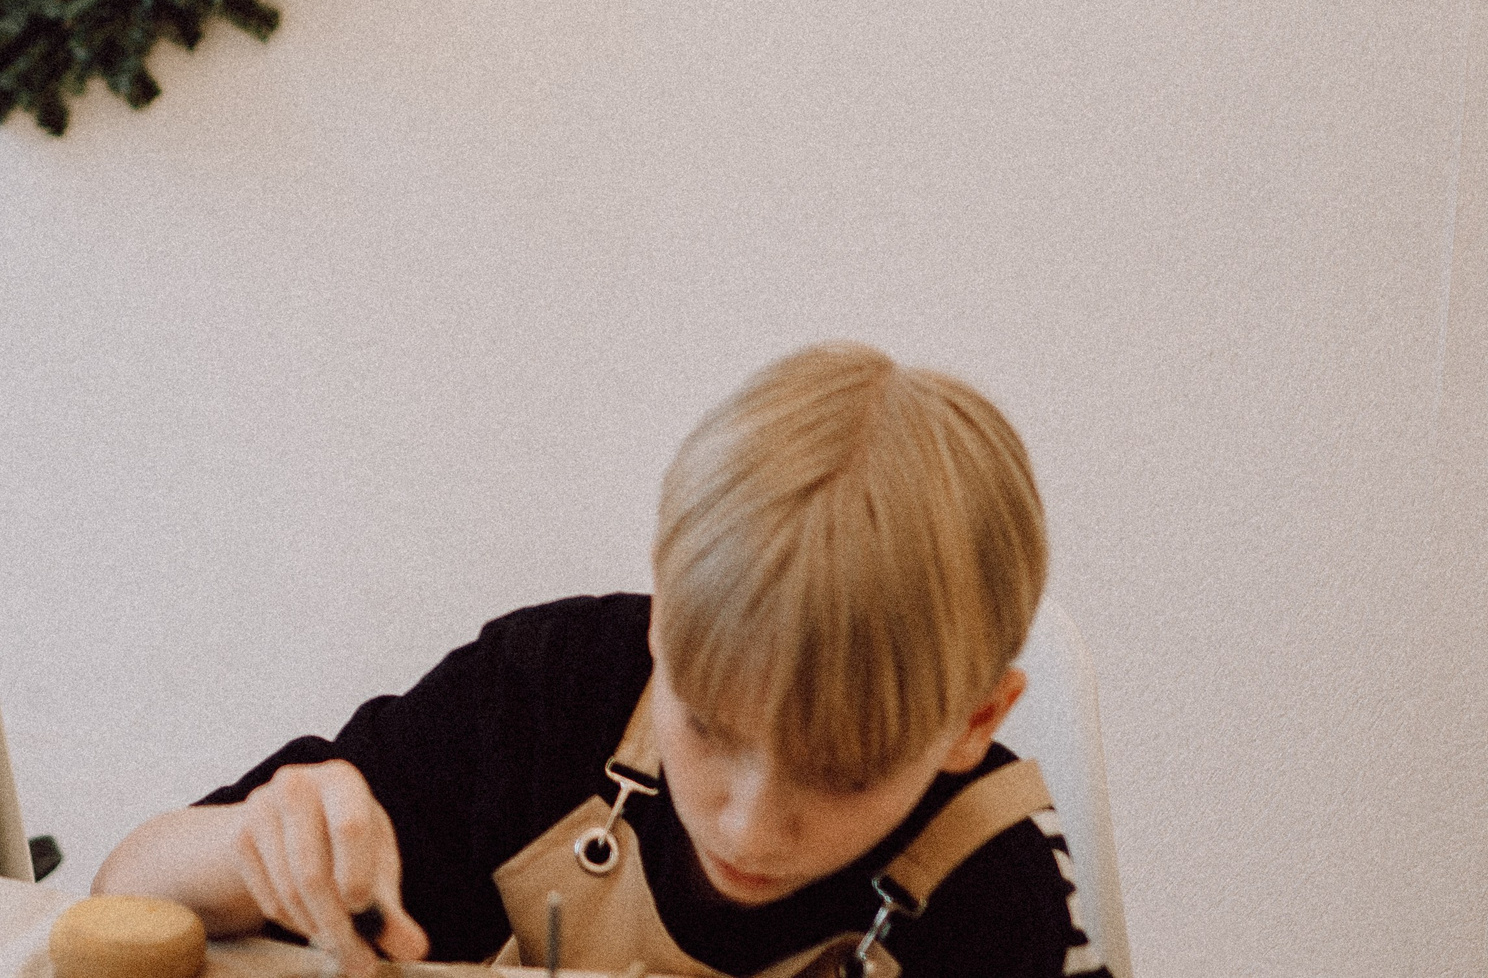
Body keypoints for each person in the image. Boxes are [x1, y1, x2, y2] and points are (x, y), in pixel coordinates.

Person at [92, 344, 1111, 977]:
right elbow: (124, 895)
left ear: (973, 724)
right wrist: (250, 850)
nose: (749, 822)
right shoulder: (544, 695)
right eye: (707, 726)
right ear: (660, 632)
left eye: (841, 773)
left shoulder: (994, 886)